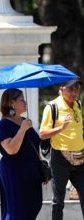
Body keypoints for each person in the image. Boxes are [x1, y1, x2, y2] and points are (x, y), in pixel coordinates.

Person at [40, 79, 84, 220]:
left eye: (77, 88)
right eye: (71, 89)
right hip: (60, 159)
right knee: (58, 200)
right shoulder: (52, 107)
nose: (74, 92)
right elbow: (42, 134)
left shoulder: (78, 104)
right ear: (61, 88)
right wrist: (61, 128)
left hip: (80, 158)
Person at [0, 88, 42, 220]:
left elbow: (36, 144)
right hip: (14, 173)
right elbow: (11, 149)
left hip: (31, 173)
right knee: (16, 212)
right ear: (12, 103)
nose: (25, 102)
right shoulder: (3, 125)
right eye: (21, 99)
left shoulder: (24, 120)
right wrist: (22, 129)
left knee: (31, 208)